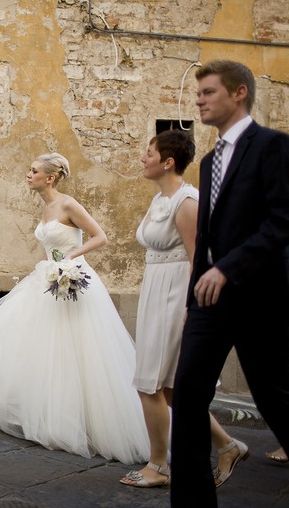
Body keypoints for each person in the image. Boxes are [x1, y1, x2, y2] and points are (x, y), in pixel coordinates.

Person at [0, 152, 150, 464]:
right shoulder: (45, 206)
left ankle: (83, 421)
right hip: (49, 277)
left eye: (33, 171)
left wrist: (72, 259)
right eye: (28, 169)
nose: (27, 174)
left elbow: (100, 236)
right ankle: (46, 412)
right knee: (41, 347)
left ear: (50, 177)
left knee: (78, 350)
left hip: (73, 278)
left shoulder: (68, 203)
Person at [170, 60, 289, 506]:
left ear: (239, 94)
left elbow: (281, 222)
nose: (199, 100)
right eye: (198, 93)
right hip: (208, 303)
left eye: (208, 92)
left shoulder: (272, 147)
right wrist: (194, 294)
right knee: (187, 394)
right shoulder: (209, 160)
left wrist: (229, 268)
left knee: (275, 398)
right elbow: (207, 237)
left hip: (258, 298)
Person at [120, 130, 245, 489]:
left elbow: (198, 259)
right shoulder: (160, 197)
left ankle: (159, 465)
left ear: (168, 161)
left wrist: (193, 307)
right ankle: (228, 445)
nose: (143, 159)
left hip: (176, 296)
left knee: (150, 384)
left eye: (148, 153)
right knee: (174, 390)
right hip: (154, 289)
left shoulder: (187, 201)